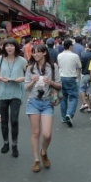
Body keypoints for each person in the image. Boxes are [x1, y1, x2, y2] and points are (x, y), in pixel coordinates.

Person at [24, 44, 61, 172]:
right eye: (33, 52)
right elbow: (26, 87)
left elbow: (59, 85)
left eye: (38, 52)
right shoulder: (30, 68)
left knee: (47, 134)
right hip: (33, 101)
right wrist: (33, 81)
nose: (35, 54)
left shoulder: (53, 67)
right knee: (35, 133)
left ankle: (43, 151)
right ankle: (36, 160)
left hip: (47, 102)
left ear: (44, 53)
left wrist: (50, 82)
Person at [0, 38, 27, 157]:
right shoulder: (0, 59)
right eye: (7, 46)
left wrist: (21, 79)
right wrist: (0, 78)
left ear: (16, 47)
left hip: (16, 93)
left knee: (14, 120)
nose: (9, 48)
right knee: (4, 121)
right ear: (4, 48)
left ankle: (14, 145)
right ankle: (6, 143)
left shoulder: (22, 60)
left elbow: (29, 74)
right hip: (2, 93)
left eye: (12, 45)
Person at [57, 39, 81, 127]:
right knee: (73, 97)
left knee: (63, 98)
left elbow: (59, 66)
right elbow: (79, 67)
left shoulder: (59, 55)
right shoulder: (75, 56)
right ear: (70, 46)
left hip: (61, 78)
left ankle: (63, 117)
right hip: (71, 78)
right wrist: (78, 77)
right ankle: (69, 114)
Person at [79, 41, 91, 112]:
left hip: (85, 74)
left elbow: (81, 65)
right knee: (90, 91)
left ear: (87, 46)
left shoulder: (84, 55)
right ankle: (90, 107)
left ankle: (84, 103)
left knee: (82, 88)